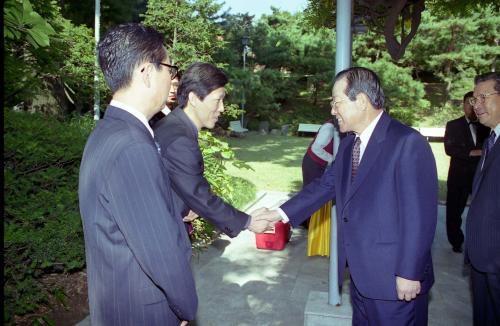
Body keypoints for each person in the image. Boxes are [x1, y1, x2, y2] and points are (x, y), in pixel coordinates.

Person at [258, 67, 438, 325]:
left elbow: (419, 216)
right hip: (361, 278)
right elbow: (325, 185)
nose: (332, 110)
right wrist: (279, 214)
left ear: (361, 101)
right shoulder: (350, 144)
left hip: (395, 283)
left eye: (336, 102)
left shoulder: (407, 143)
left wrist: (409, 273)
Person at [78, 23, 197, 325]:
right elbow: (160, 252)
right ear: (146, 73)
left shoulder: (107, 132)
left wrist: (177, 208)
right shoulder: (133, 146)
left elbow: (128, 211)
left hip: (117, 303)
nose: (174, 79)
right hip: (144, 311)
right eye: (170, 68)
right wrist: (185, 307)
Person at [154, 62, 273, 238]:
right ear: (194, 98)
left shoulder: (174, 125)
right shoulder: (179, 139)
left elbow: (180, 184)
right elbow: (198, 194)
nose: (222, 108)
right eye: (218, 100)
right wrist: (248, 221)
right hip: (162, 237)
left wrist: (187, 205)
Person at [465, 72, 500, 326]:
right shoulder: (492, 140)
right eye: (475, 99)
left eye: (483, 97)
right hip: (481, 258)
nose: (476, 104)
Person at [444, 91, 490, 253]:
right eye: (469, 103)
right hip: (459, 176)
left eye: (474, 103)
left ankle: (479, 242)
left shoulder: (485, 125)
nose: (472, 107)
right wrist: (473, 152)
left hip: (481, 176)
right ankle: (456, 241)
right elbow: (449, 149)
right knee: (454, 213)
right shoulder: (453, 125)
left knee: (483, 212)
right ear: (463, 105)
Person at [300, 120, 335, 252]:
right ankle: (308, 223)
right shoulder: (329, 128)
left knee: (313, 194)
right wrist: (333, 159)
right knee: (311, 193)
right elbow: (316, 148)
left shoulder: (336, 128)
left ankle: (307, 222)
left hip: (320, 164)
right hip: (312, 163)